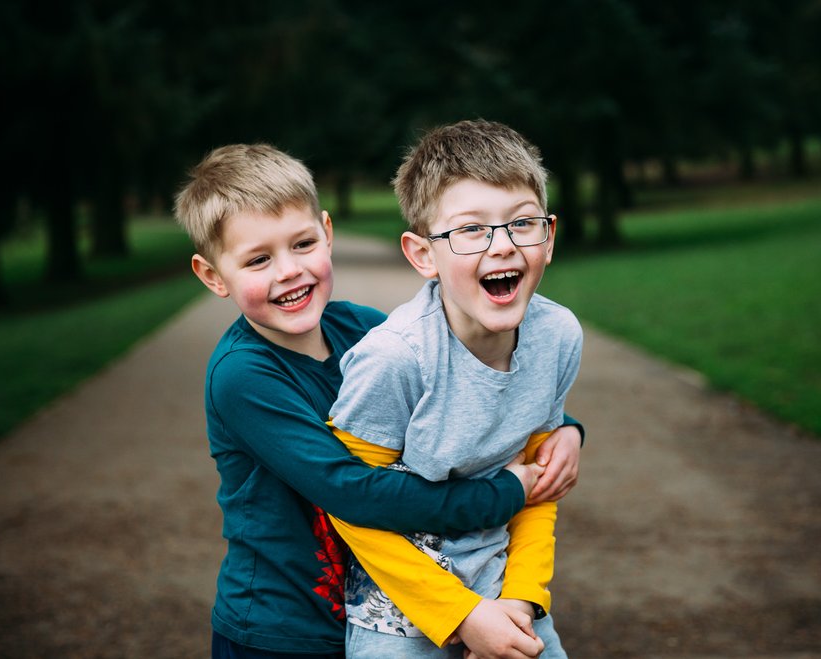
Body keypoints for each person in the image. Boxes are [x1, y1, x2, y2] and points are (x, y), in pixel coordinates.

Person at [172, 143, 584, 659]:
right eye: (258, 259)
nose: (288, 271)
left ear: (327, 232)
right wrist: (505, 493)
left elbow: (458, 392)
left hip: (390, 603)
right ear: (213, 275)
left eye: (302, 244)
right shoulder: (243, 376)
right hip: (284, 624)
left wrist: (565, 427)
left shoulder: (365, 329)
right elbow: (349, 490)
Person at [327, 119, 582, 658]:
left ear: (549, 237)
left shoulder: (557, 337)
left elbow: (539, 484)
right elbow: (351, 509)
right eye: (471, 229)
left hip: (502, 586)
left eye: (522, 224)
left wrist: (521, 598)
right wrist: (461, 617)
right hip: (399, 612)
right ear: (423, 255)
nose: (503, 247)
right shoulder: (395, 359)